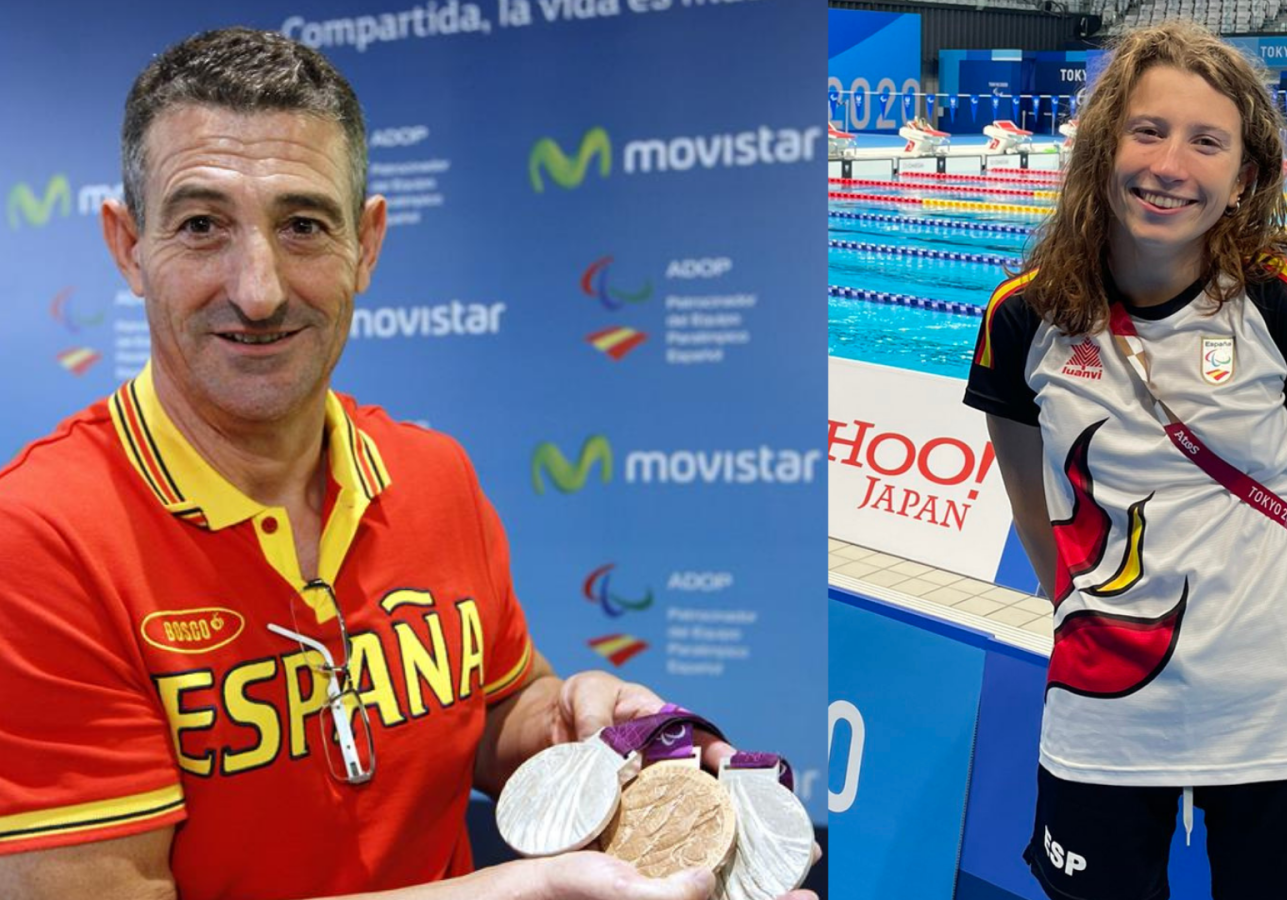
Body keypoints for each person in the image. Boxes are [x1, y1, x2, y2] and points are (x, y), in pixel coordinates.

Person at [0, 28, 815, 900]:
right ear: (128, 247)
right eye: (202, 226)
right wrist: (520, 894)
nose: (259, 288)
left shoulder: (432, 474)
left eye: (303, 225)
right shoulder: (42, 539)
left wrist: (577, 729)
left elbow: (494, 709)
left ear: (369, 243)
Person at [964, 21, 1287, 900]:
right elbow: (1034, 510)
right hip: (1101, 708)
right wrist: (1088, 616)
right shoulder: (1021, 317)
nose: (1170, 166)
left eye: (1207, 142)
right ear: (1103, 146)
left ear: (1245, 177)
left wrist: (1254, 639)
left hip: (1270, 712)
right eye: (1148, 130)